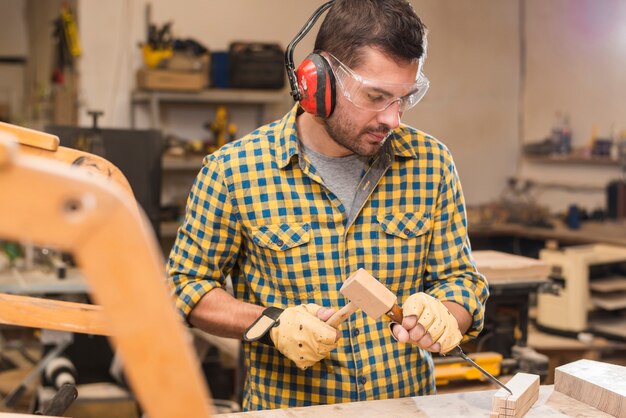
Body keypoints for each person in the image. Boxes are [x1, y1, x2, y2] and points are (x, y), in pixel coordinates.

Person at [166, 0, 489, 411]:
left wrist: (446, 313)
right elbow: (185, 289)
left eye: (405, 98)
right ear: (317, 83)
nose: (394, 119)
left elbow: (462, 280)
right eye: (377, 96)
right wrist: (271, 322)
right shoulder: (233, 171)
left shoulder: (432, 163)